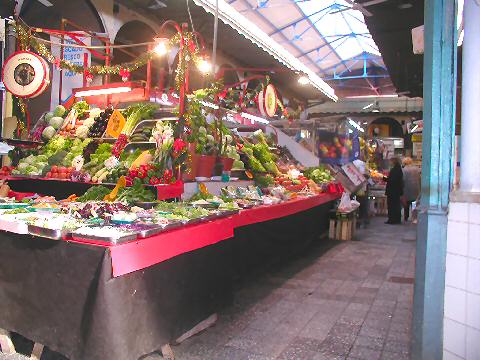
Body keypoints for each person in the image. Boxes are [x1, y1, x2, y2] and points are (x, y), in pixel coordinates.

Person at [384, 157, 403, 224]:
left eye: (391, 161)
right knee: (396, 205)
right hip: (396, 191)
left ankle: (392, 219)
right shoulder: (398, 169)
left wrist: (384, 179)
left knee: (392, 205)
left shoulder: (395, 170)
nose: (390, 163)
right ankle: (396, 219)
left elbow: (392, 180)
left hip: (393, 191)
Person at [402, 157, 421, 221]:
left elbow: (403, 180)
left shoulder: (404, 170)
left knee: (406, 204)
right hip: (416, 188)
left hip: (407, 188)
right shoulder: (417, 169)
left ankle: (406, 216)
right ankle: (414, 217)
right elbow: (419, 178)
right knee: (414, 203)